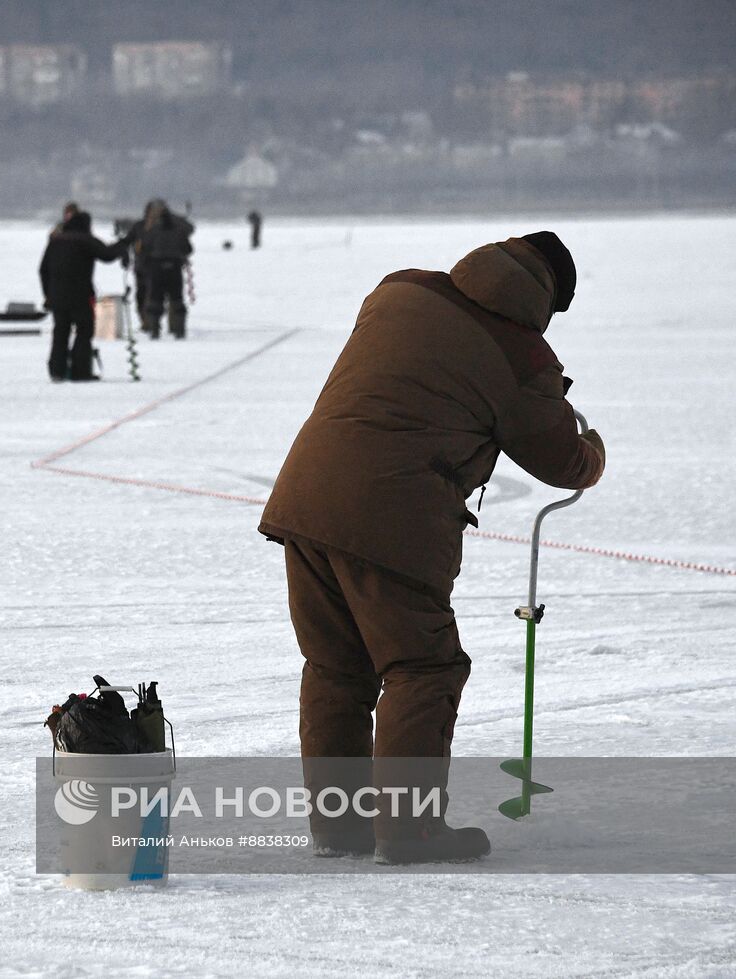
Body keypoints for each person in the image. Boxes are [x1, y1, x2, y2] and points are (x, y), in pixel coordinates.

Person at [257, 231, 605, 865]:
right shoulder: (523, 356)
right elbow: (562, 461)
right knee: (423, 668)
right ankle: (408, 832)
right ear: (546, 302)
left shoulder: (398, 290)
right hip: (393, 519)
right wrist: (593, 448)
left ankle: (339, 828)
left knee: (337, 668)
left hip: (304, 499)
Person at [38, 211, 128, 382]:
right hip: (80, 295)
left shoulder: (56, 241)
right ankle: (80, 372)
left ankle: (57, 371)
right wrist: (123, 244)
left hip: (58, 297)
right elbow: (107, 255)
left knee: (60, 333)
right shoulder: (85, 240)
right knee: (84, 332)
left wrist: (48, 294)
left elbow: (43, 269)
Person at [134, 199, 194, 339]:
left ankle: (154, 330)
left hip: (156, 269)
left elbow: (143, 249)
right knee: (177, 299)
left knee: (155, 299)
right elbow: (188, 249)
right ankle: (179, 331)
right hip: (174, 268)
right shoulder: (179, 230)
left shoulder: (152, 231)